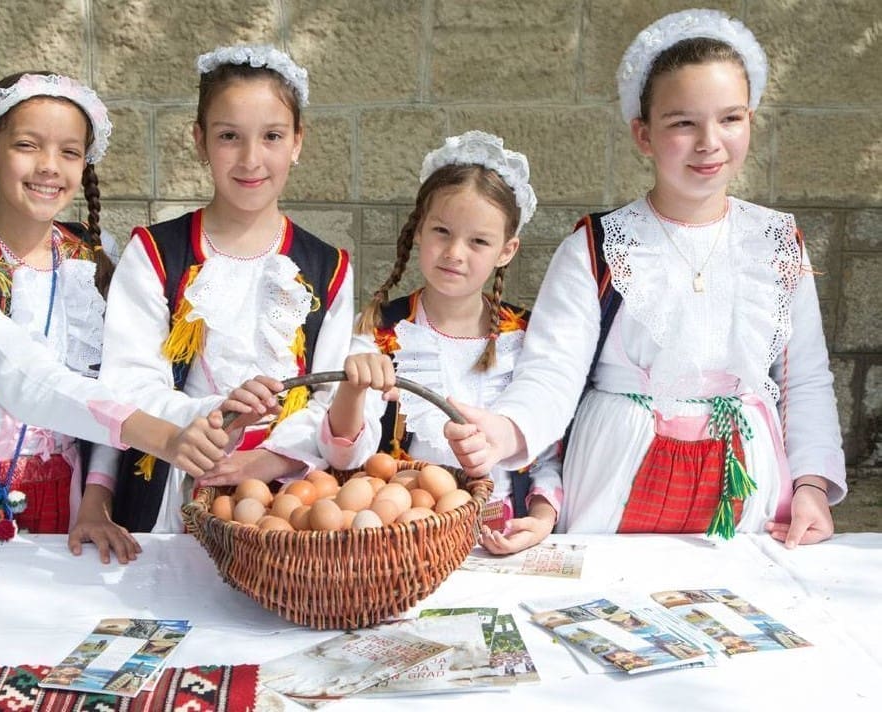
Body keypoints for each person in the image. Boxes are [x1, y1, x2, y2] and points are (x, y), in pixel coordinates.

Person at [446, 9, 845, 547]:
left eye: (730, 118)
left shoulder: (777, 243)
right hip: (617, 476)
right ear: (643, 134)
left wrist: (812, 485)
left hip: (746, 484)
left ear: (751, 120)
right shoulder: (595, 247)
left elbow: (805, 381)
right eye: (682, 123)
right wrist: (506, 429)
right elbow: (552, 373)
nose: (709, 142)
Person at [0, 71, 244, 557]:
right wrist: (163, 437)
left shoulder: (92, 258)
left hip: (73, 502)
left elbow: (113, 381)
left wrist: (97, 500)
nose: (49, 166)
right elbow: (24, 378)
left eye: (70, 152)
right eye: (27, 145)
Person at [99, 45, 354, 533]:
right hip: (178, 485)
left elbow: (331, 398)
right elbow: (127, 384)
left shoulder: (328, 268)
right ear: (200, 141)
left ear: (297, 142)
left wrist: (268, 460)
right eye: (229, 136)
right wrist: (214, 415)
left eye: (272, 136)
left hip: (291, 501)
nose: (251, 159)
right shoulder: (156, 253)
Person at [319, 131, 561, 554]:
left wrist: (541, 519)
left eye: (478, 241)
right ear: (419, 229)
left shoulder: (526, 338)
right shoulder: (380, 331)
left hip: (502, 538)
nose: (454, 252)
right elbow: (344, 459)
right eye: (442, 232)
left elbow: (546, 453)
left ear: (507, 250)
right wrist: (352, 389)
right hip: (404, 540)